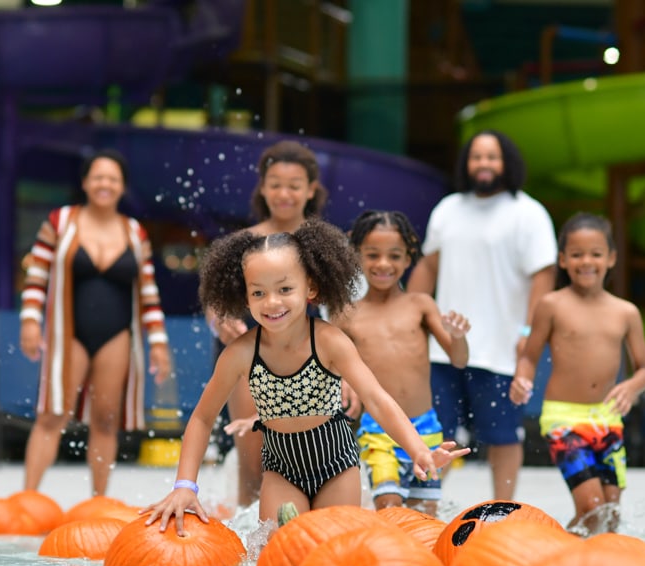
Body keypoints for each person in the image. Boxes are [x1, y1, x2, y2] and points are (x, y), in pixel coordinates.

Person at [144, 219, 468, 531]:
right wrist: (185, 486)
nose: (272, 302)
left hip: (336, 465)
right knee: (276, 551)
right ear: (244, 296)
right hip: (281, 470)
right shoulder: (240, 354)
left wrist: (418, 451)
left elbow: (377, 400)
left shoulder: (328, 341)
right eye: (258, 293)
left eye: (285, 288)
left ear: (310, 287)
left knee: (332, 552)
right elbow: (201, 419)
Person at [407, 129, 558, 502]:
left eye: (492, 156)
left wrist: (528, 330)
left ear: (506, 162)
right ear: (466, 163)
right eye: (477, 157)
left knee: (503, 436)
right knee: (436, 432)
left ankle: (503, 507)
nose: (484, 164)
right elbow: (429, 264)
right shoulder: (448, 208)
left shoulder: (529, 212)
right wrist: (408, 312)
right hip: (443, 349)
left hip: (501, 349)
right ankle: (427, 507)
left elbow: (544, 276)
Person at [18, 149, 171, 497]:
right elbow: (36, 278)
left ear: (122, 187)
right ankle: (26, 499)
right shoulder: (60, 221)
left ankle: (98, 501)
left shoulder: (136, 233)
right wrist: (30, 322)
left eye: (113, 179)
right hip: (69, 332)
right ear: (86, 183)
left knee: (106, 419)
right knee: (52, 414)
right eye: (98, 177)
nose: (105, 184)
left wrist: (158, 342)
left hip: (117, 335)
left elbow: (148, 293)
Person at [206, 140, 345, 510]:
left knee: (321, 455)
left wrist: (347, 373)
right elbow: (216, 305)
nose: (284, 193)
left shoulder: (322, 245)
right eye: (276, 184)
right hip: (251, 359)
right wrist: (221, 322)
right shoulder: (243, 243)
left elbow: (345, 311)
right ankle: (248, 538)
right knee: (254, 464)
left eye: (294, 185)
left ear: (311, 189)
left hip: (316, 360)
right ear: (263, 188)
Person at [509, 212, 645, 534]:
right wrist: (522, 378)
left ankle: (581, 562)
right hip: (563, 419)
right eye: (576, 254)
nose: (586, 261)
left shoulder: (626, 312)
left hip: (607, 417)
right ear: (562, 259)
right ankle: (555, 559)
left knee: (610, 515)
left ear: (611, 258)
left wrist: (632, 387)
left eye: (595, 254)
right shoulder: (551, 305)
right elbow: (529, 356)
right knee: (591, 507)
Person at [333, 210, 470, 517]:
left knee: (425, 515)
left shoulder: (420, 305)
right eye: (372, 255)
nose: (384, 264)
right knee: (390, 509)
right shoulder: (346, 314)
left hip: (426, 429)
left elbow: (459, 360)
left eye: (394, 256)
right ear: (357, 257)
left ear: (408, 259)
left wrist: (458, 337)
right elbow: (330, 363)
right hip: (377, 431)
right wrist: (342, 379)